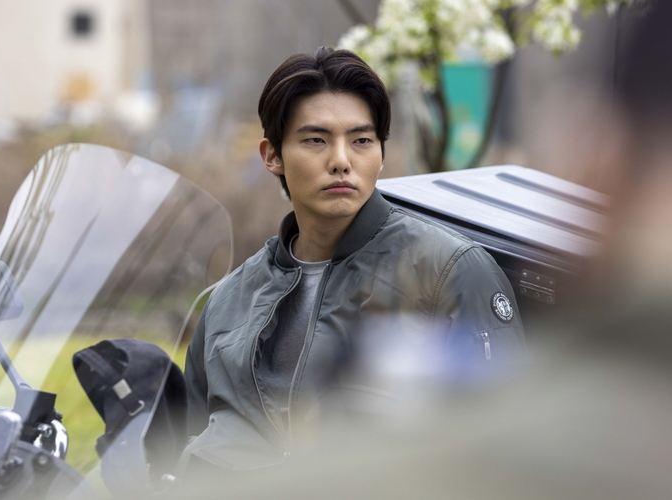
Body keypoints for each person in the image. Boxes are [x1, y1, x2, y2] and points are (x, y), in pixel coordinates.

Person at [180, 47, 526, 473]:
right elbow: (186, 445)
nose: (341, 161)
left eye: (361, 140)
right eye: (316, 140)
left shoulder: (450, 271)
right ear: (272, 156)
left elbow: (505, 449)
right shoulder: (227, 301)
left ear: (381, 154)